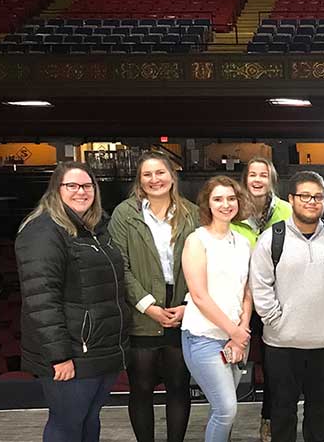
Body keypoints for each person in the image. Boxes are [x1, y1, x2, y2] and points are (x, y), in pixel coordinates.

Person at [16, 161, 129, 442]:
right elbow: (41, 299)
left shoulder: (96, 228)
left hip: (99, 350)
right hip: (72, 353)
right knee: (66, 424)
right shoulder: (43, 231)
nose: (81, 191)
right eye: (72, 185)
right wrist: (59, 356)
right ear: (57, 189)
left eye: (87, 185)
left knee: (89, 419)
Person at [249, 170, 324, 442]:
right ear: (291, 199)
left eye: (318, 197)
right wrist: (276, 320)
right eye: (305, 196)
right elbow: (260, 286)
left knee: (320, 413)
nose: (312, 202)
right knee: (282, 412)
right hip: (281, 345)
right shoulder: (271, 239)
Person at [109, 151, 198, 442]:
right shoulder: (125, 213)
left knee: (178, 386)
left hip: (182, 308)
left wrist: (188, 305)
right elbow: (118, 264)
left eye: (160, 172)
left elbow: (204, 264)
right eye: (147, 174)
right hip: (140, 310)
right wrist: (148, 306)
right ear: (139, 180)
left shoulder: (193, 213)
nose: (154, 179)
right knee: (142, 388)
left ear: (172, 176)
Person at [181, 176, 253, 442]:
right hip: (203, 337)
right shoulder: (197, 240)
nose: (226, 204)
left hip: (234, 338)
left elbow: (247, 291)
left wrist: (241, 331)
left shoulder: (243, 242)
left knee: (221, 410)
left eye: (231, 198)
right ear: (207, 204)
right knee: (226, 409)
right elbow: (199, 296)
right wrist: (234, 331)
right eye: (218, 199)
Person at [231, 156, 292, 442]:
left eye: (263, 175)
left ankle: (268, 420)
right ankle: (224, 422)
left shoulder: (286, 210)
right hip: (236, 297)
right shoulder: (232, 208)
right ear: (245, 179)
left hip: (275, 297)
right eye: (252, 174)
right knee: (231, 360)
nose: (257, 179)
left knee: (273, 365)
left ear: (272, 180)